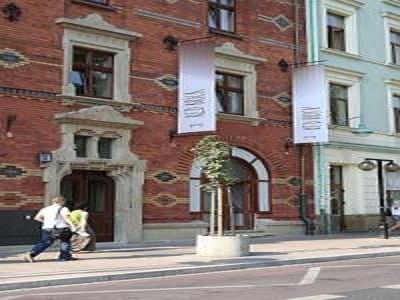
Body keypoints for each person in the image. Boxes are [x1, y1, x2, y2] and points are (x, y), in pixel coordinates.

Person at [25, 196, 77, 262]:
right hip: (61, 228)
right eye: (64, 202)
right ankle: (64, 257)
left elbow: (37, 218)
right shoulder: (64, 209)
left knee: (45, 242)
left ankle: (31, 254)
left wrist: (46, 222)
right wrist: (73, 226)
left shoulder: (45, 209)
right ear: (62, 201)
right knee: (65, 241)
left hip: (47, 228)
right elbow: (66, 218)